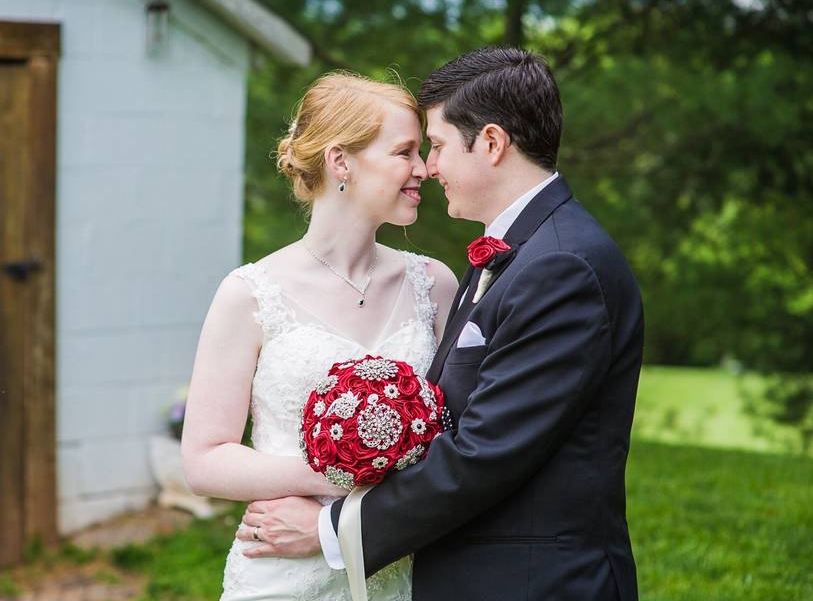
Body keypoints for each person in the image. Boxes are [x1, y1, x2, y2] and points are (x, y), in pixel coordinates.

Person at [242, 47, 645, 601]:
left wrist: (327, 528)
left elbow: (486, 451)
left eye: (435, 146)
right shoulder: (519, 253)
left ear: (493, 143)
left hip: (537, 585)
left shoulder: (560, 265)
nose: (428, 169)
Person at [180, 71, 459, 601]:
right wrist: (329, 477)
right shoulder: (250, 294)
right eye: (405, 152)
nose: (424, 169)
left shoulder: (434, 284)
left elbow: (456, 434)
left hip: (404, 567)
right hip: (284, 572)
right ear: (341, 162)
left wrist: (368, 498)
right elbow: (204, 460)